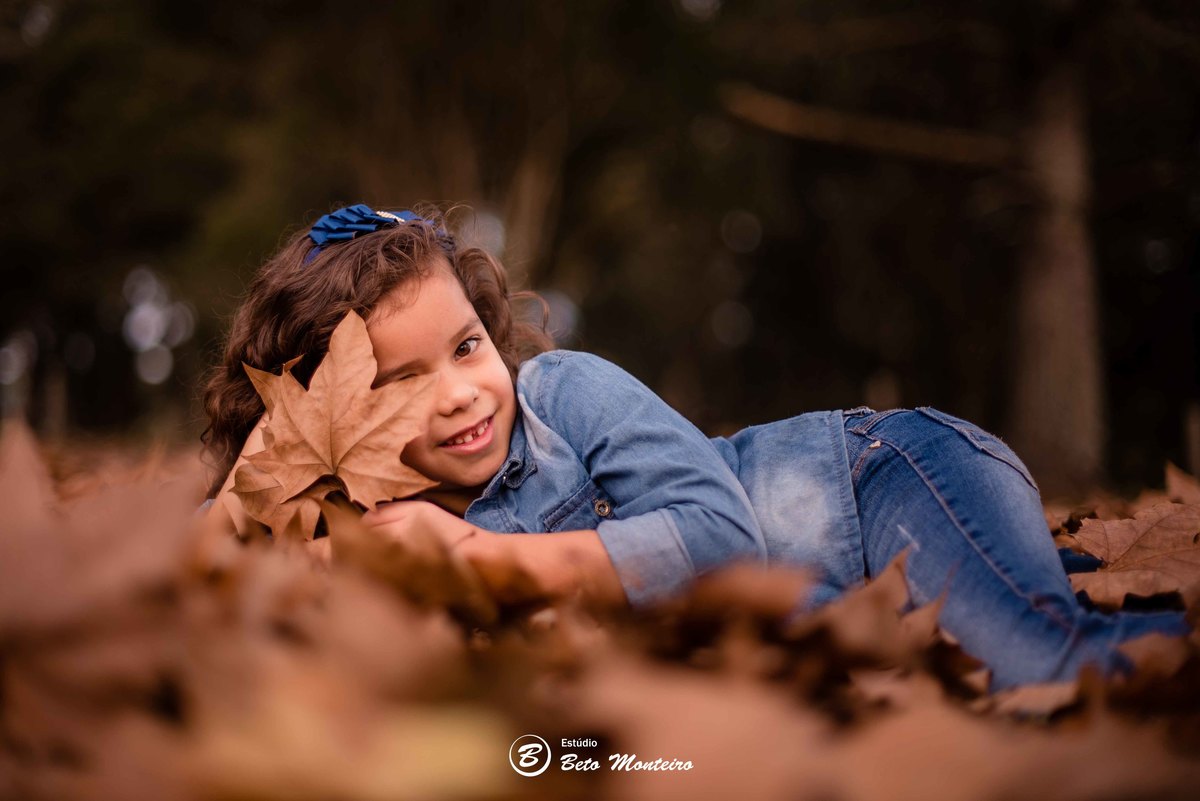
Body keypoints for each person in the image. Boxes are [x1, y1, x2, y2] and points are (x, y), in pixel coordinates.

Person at [203, 204, 1190, 692]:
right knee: (906, 674)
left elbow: (721, 537)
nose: (461, 390)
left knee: (1040, 662)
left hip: (879, 480)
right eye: (403, 380)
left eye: (466, 346)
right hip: (826, 603)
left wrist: (495, 562)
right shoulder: (378, 531)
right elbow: (224, 562)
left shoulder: (558, 393)